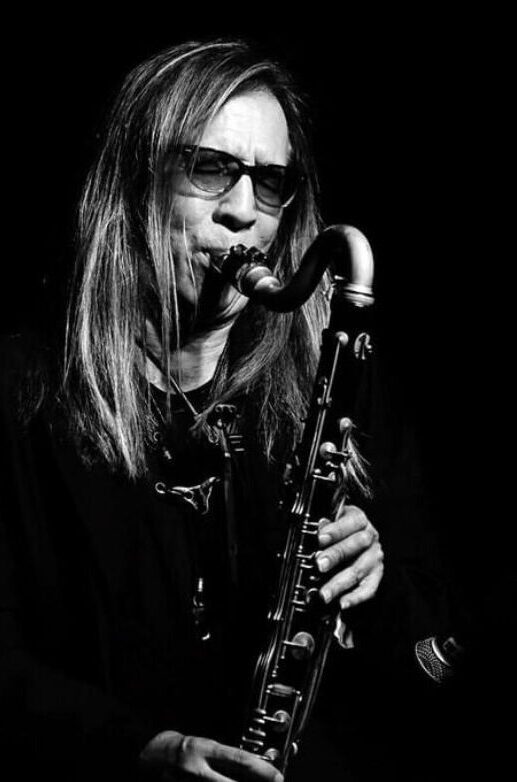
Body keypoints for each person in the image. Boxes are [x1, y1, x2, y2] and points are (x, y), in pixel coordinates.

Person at [1, 39, 450, 781]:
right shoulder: (24, 393)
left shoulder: (338, 387)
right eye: (208, 169)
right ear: (134, 183)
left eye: (269, 182)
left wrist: (376, 590)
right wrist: (137, 749)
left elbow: (434, 661)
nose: (243, 212)